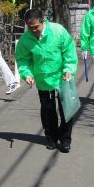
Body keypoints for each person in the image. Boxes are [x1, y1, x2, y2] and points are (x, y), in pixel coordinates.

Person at [15, 9, 78, 152]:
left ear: (43, 21)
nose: (34, 31)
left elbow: (69, 51)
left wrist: (69, 69)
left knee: (66, 109)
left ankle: (66, 139)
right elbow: (23, 59)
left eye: (36, 27)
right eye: (30, 28)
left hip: (63, 75)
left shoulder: (58, 31)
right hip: (42, 77)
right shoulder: (26, 39)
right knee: (48, 110)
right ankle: (51, 137)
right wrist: (27, 74)